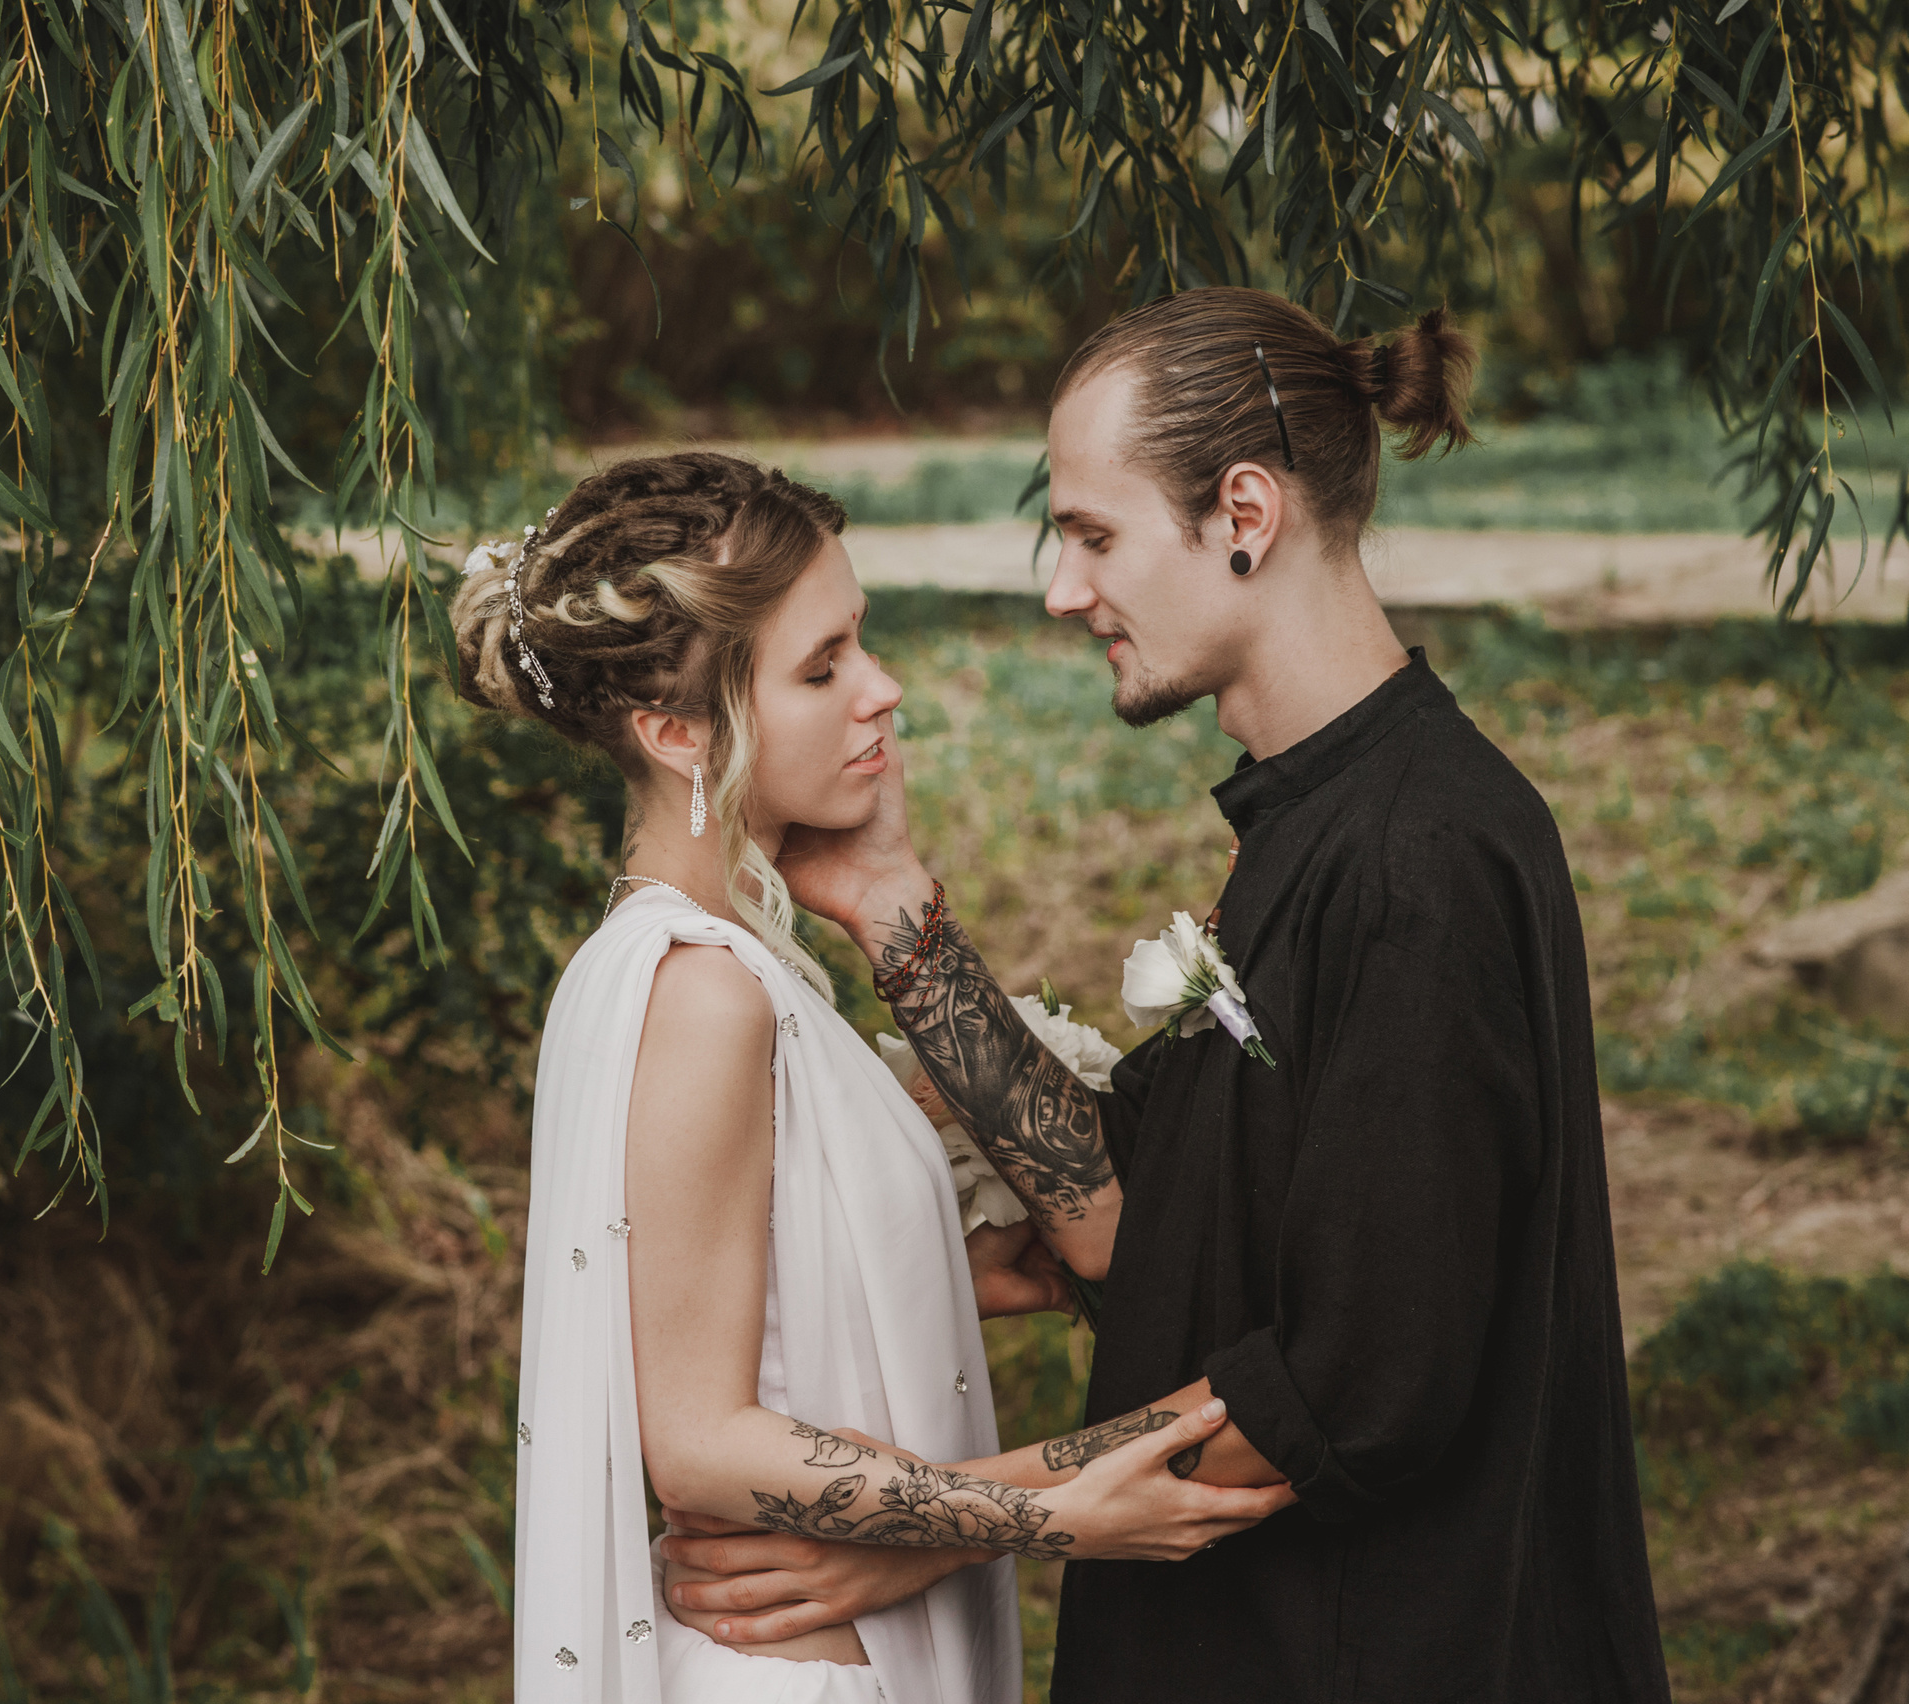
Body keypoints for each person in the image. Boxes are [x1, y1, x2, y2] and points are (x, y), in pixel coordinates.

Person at [672, 288, 1666, 1701]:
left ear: (1244, 514)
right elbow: (1131, 1219)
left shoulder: (1416, 863)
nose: (1064, 592)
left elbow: (1348, 1388)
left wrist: (941, 1530)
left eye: (1092, 535)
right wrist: (895, 916)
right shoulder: (1319, 829)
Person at [455, 453, 1296, 1704]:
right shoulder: (702, 993)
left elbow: (724, 1303)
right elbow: (692, 1441)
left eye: (861, 643)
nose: (882, 690)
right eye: (823, 665)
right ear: (679, 733)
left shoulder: (689, 966)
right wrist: (1049, 1511)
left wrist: (931, 1275)